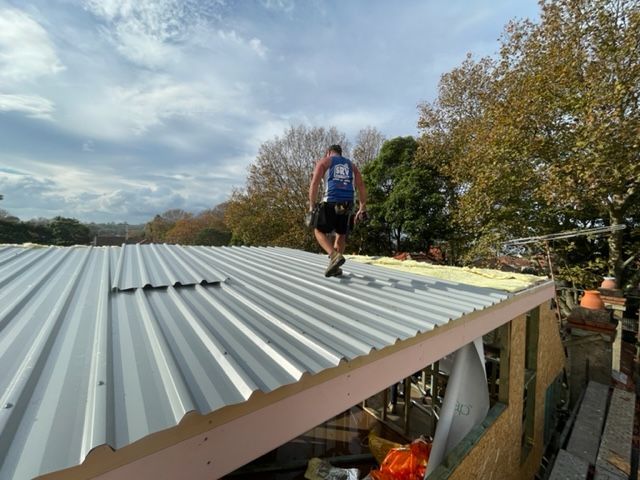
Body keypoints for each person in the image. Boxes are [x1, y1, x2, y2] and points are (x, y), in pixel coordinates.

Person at [308, 144, 367, 277]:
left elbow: (315, 183)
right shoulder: (352, 165)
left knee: (318, 230)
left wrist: (312, 206)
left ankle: (333, 255)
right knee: (341, 234)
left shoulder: (324, 161)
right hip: (347, 203)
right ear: (340, 153)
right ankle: (334, 266)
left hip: (331, 200)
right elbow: (361, 186)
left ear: (328, 152)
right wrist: (362, 207)